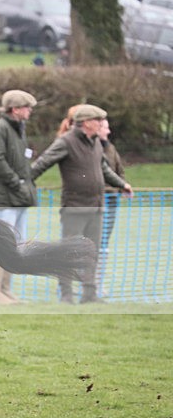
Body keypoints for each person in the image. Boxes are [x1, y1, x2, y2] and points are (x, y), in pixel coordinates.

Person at [31, 105, 133, 304]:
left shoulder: (96, 142)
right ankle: (66, 294)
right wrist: (25, 181)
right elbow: (43, 162)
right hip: (75, 206)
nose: (101, 124)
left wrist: (122, 185)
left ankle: (89, 294)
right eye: (98, 121)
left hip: (96, 206)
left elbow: (104, 168)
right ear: (86, 122)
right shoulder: (66, 141)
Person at [0, 89, 38, 305]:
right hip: (6, 196)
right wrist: (16, 183)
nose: (30, 111)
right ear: (15, 109)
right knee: (1, 243)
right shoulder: (0, 129)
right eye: (27, 107)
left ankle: (6, 290)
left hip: (19, 197)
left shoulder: (19, 129)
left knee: (16, 244)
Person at [97, 118, 128, 297]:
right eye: (105, 128)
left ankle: (98, 283)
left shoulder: (111, 148)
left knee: (103, 244)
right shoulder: (92, 148)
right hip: (97, 201)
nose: (108, 132)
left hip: (112, 200)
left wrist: (122, 185)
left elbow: (119, 170)